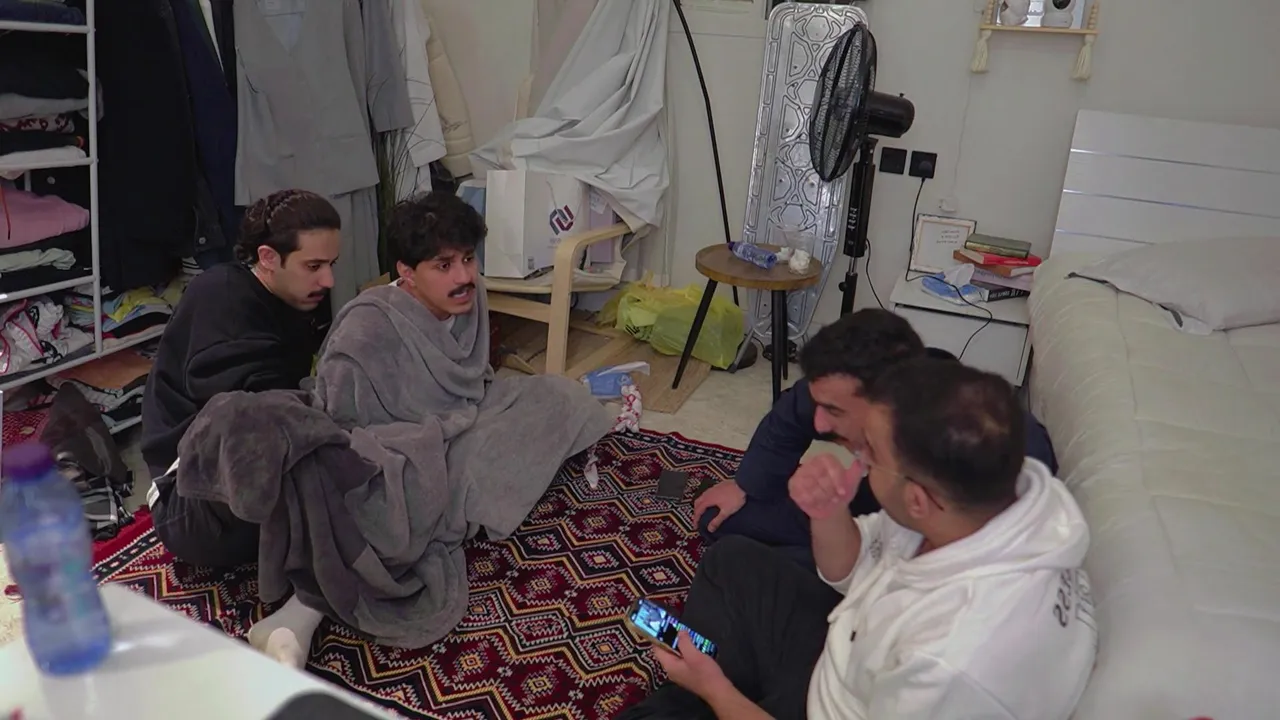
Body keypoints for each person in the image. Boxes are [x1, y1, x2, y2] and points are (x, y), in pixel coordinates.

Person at [621, 359, 1097, 720]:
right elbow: (851, 570)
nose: (859, 458)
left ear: (917, 499)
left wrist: (715, 691)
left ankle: (704, 695)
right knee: (731, 560)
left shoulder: (952, 662)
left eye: (872, 453)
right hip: (855, 655)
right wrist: (828, 512)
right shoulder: (998, 492)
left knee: (694, 693)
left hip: (842, 704)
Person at [694, 309, 1059, 568]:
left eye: (834, 411)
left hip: (911, 558)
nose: (819, 424)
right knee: (720, 521)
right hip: (869, 520)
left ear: (886, 402)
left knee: (746, 563)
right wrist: (747, 484)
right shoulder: (849, 384)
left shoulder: (992, 444)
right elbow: (793, 414)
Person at [141, 189, 340, 566]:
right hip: (191, 503)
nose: (328, 279)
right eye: (314, 266)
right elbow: (255, 420)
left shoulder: (294, 298)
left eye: (331, 264)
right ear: (268, 257)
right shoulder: (223, 297)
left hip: (236, 485)